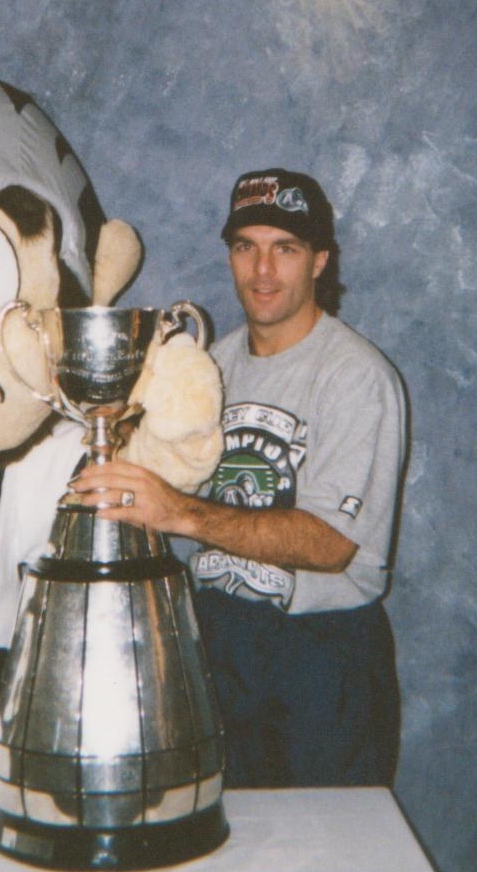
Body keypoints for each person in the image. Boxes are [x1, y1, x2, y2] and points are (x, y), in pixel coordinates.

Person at [72, 167, 407, 788]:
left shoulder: (358, 377)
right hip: (219, 645)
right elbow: (160, 485)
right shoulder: (208, 366)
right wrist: (115, 437)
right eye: (246, 246)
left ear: (319, 262)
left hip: (320, 660)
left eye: (286, 249)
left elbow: (331, 545)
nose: (262, 270)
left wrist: (180, 513)